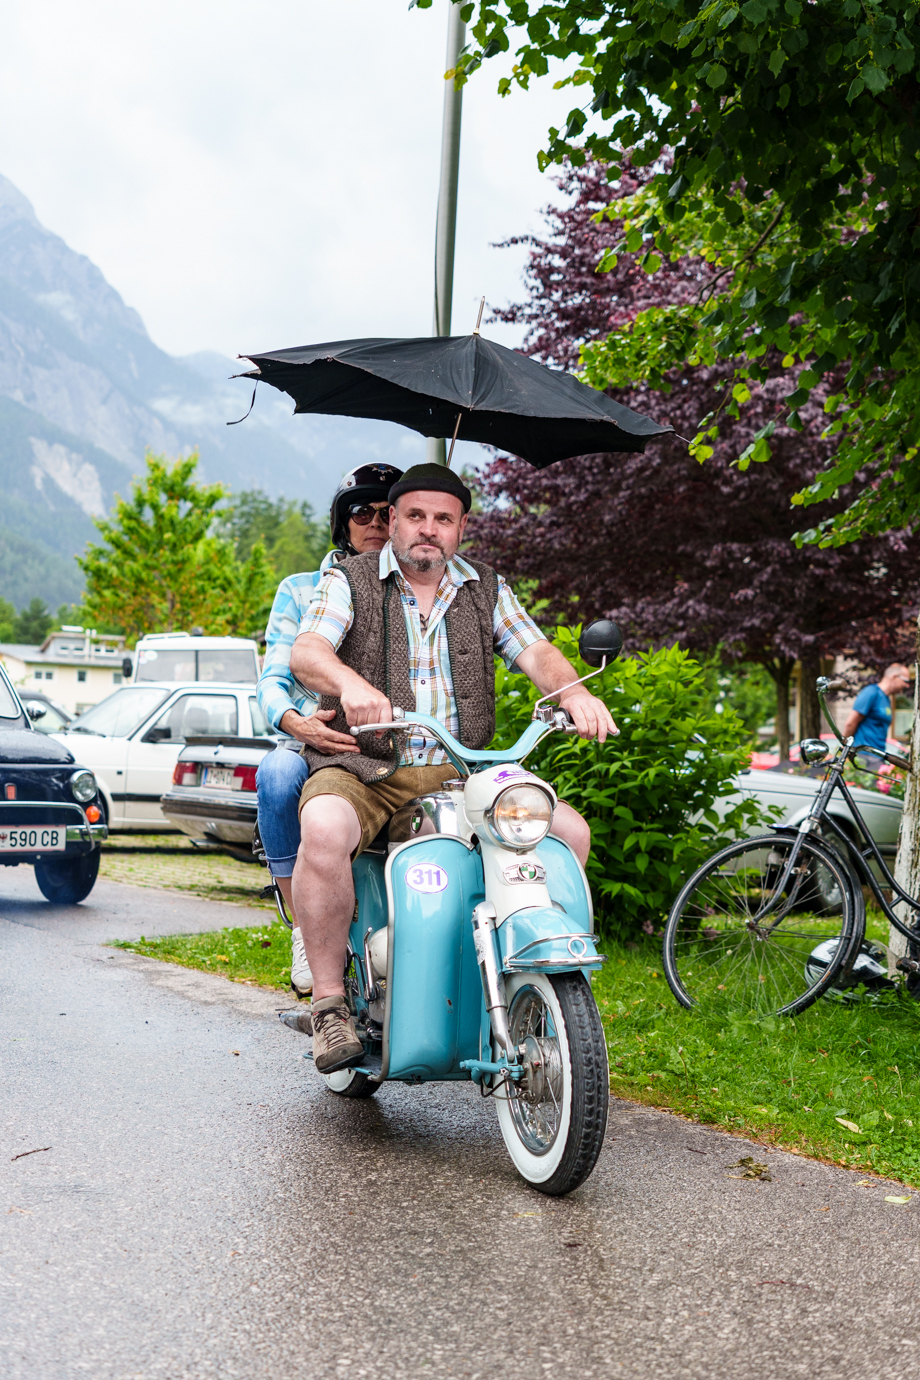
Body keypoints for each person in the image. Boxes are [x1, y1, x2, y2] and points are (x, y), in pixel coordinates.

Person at [288, 462, 618, 1073]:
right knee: (325, 829)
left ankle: (536, 982)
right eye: (415, 515)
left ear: (462, 527)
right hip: (364, 764)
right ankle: (330, 1005)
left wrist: (573, 693)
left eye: (444, 518)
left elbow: (536, 650)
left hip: (461, 772)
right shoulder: (349, 579)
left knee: (568, 832)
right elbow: (307, 651)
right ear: (393, 520)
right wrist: (349, 683)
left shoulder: (485, 587)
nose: (428, 529)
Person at [255, 462, 403, 997]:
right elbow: (273, 678)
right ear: (343, 523)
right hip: (314, 737)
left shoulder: (415, 590)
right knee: (277, 774)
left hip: (392, 743)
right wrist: (297, 723)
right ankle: (303, 925)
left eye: (387, 512)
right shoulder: (300, 589)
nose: (375, 523)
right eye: (362, 512)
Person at [842, 663, 912, 754]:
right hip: (863, 755)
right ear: (894, 677)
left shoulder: (886, 699)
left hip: (878, 754)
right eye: (905, 681)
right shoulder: (871, 692)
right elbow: (850, 724)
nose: (907, 685)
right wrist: (843, 750)